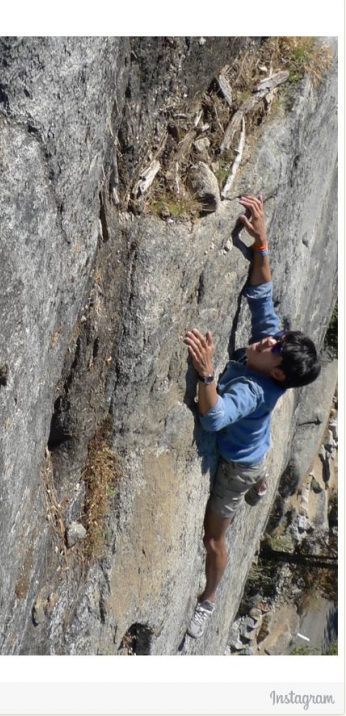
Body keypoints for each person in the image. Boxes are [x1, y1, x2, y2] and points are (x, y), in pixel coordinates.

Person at [183, 195, 321, 639]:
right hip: (255, 449)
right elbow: (261, 292)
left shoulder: (253, 388)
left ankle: (209, 598)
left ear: (277, 372)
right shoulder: (269, 353)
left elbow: (215, 419)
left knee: (213, 539)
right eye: (275, 339)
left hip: (236, 466)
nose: (266, 342)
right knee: (258, 455)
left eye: (274, 348)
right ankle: (262, 479)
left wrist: (206, 373)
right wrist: (261, 241)